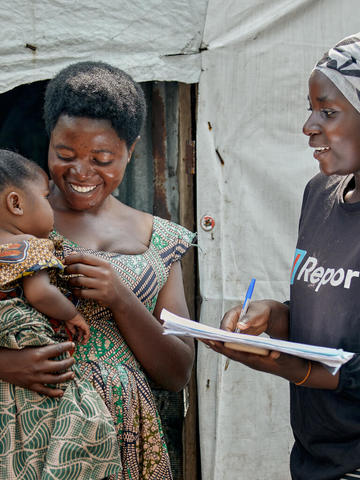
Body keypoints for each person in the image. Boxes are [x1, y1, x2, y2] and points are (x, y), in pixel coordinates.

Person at [0, 61, 195, 479]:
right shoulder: (14, 224)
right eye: (64, 154)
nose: (81, 172)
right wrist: (6, 364)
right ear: (48, 140)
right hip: (30, 433)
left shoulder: (160, 241)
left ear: (131, 150)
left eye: (102, 157)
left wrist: (120, 298)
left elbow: (178, 372)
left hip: (127, 432)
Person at [207, 33, 360, 480]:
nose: (309, 125)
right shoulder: (319, 194)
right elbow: (330, 322)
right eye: (311, 109)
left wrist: (293, 368)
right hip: (316, 459)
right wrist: (269, 318)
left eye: (328, 111)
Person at [0, 149, 121, 479]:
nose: (51, 206)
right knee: (80, 418)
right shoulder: (28, 245)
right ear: (16, 204)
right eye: (44, 197)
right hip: (31, 352)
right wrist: (72, 315)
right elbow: (39, 293)